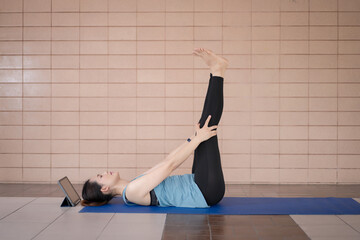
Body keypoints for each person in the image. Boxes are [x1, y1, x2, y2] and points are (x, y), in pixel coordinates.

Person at [81, 48, 229, 208]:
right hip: (204, 190)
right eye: (100, 176)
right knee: (207, 125)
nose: (104, 172)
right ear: (105, 188)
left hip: (198, 184)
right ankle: (217, 70)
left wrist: (193, 138)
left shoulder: (134, 184)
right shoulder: (131, 191)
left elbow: (167, 159)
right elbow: (170, 166)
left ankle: (216, 71)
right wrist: (197, 139)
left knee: (202, 127)